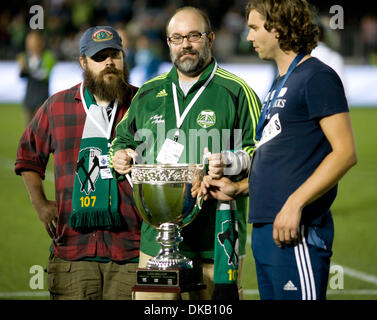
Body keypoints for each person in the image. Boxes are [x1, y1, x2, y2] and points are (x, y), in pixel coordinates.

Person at [201, 0, 357, 300]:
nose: (248, 37)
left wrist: (295, 204)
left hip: (294, 229)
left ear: (279, 28)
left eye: (255, 28)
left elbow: (345, 152)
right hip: (266, 229)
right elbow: (281, 161)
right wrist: (238, 188)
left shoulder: (316, 76)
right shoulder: (278, 84)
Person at [110, 6, 261, 300]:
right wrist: (121, 156)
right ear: (168, 43)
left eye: (194, 35)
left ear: (211, 38)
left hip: (216, 243)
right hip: (156, 244)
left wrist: (227, 164)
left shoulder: (237, 91)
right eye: (176, 38)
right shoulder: (148, 93)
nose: (185, 45)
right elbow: (120, 141)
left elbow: (261, 155)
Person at [15, 26, 142, 300]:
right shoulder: (57, 106)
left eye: (114, 55)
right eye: (99, 57)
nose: (109, 63)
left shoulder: (144, 104)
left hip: (130, 251)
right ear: (83, 62)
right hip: (73, 254)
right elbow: (28, 155)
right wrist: (40, 205)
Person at [16, 31, 56, 125]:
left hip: (42, 98)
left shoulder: (48, 56)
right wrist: (21, 67)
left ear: (40, 42)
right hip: (29, 97)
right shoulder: (25, 56)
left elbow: (44, 75)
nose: (31, 45)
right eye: (29, 42)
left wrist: (27, 68)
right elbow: (22, 76)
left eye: (33, 41)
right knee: (29, 128)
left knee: (42, 128)